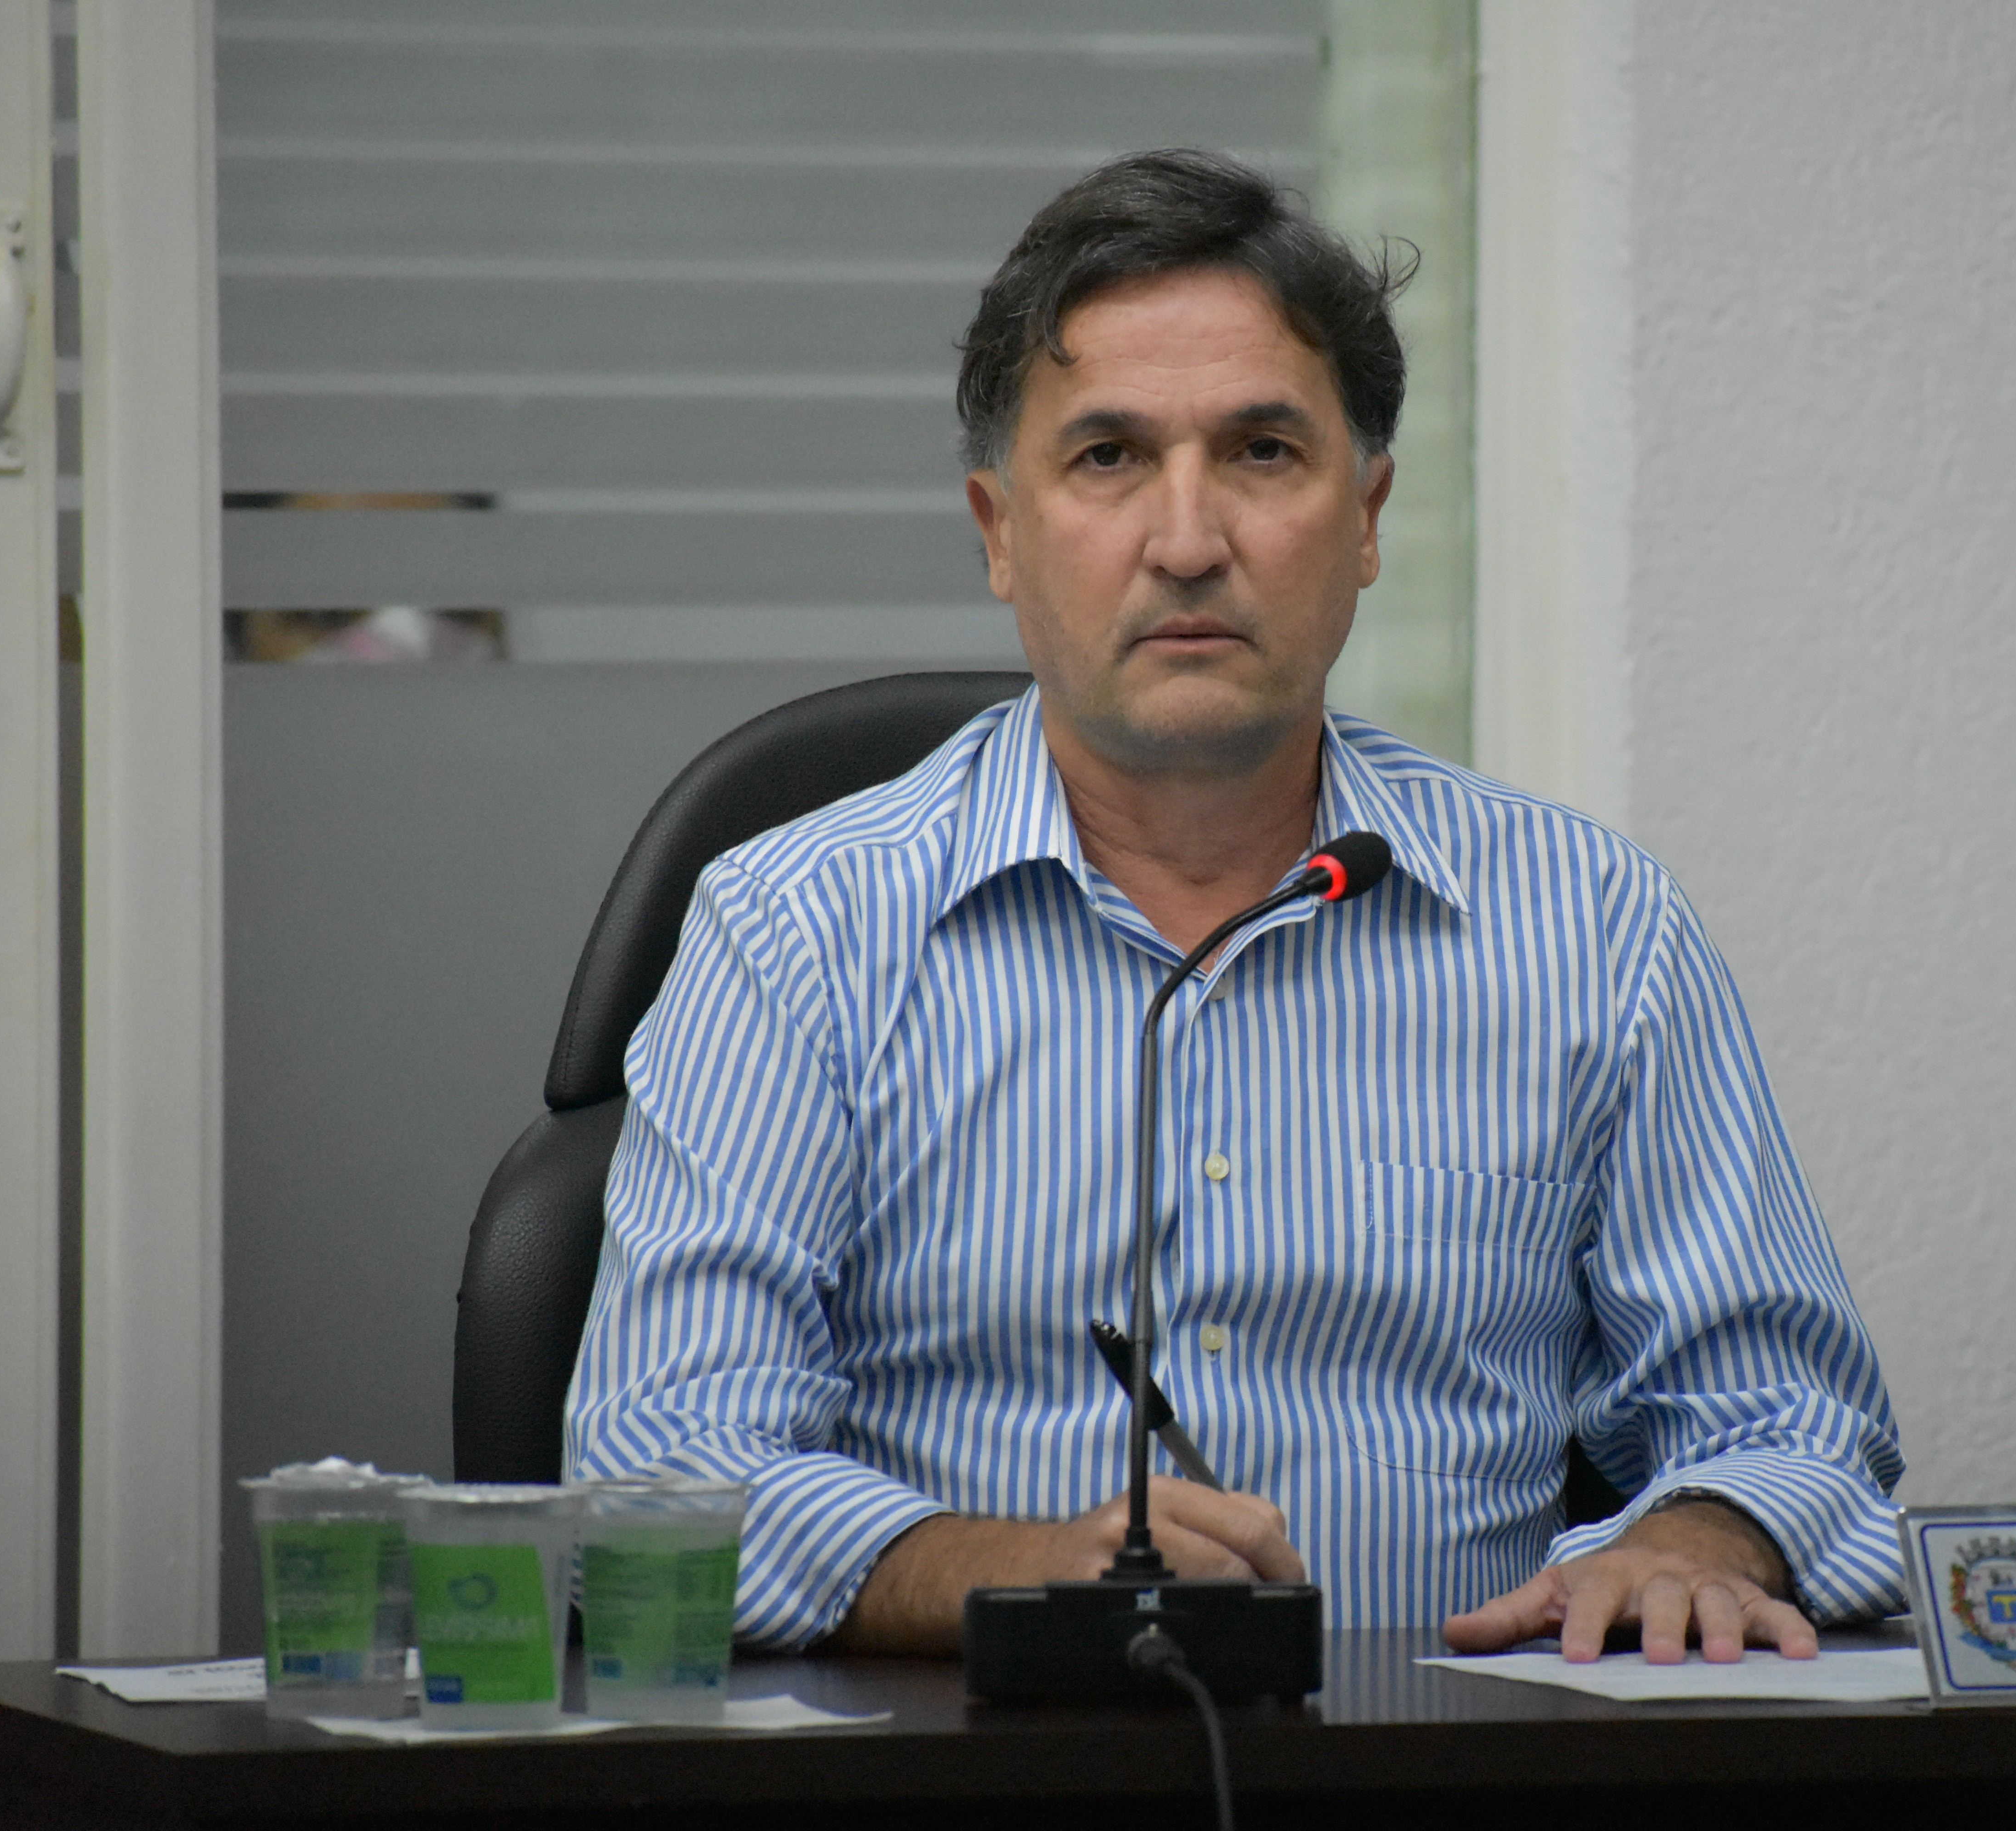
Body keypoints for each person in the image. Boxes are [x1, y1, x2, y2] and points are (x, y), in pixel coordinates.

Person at [565, 149, 1905, 1665]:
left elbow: (1790, 1416)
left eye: (1263, 452)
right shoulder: (794, 931)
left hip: (1445, 1753)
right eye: (1109, 457)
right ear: (1000, 532)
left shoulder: (1593, 929)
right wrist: (1010, 1575)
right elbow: (653, 1477)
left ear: (1368, 517)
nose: (1190, 540)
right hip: (971, 1757)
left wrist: (1697, 1541)